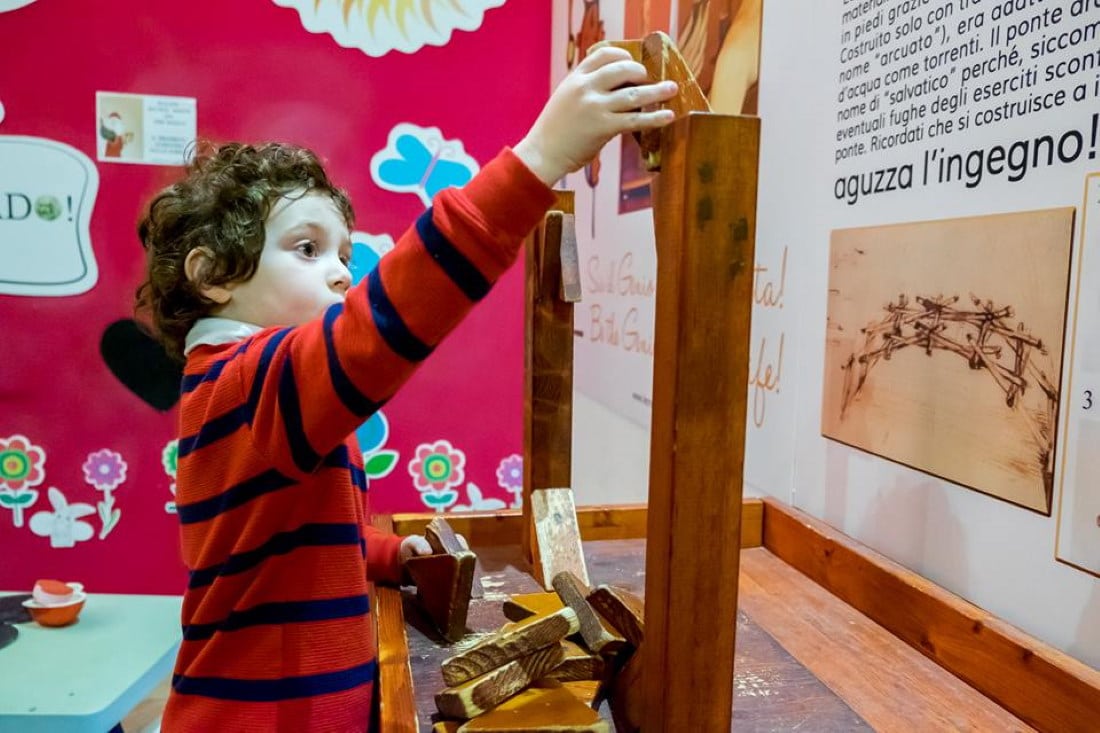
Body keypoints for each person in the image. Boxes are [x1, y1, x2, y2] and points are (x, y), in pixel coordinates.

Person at [135, 46, 677, 732]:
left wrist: (386, 554)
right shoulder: (244, 383)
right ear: (213, 274)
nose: (339, 274)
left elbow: (289, 541)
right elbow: (376, 331)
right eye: (307, 249)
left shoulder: (250, 389)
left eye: (343, 253)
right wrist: (538, 161)